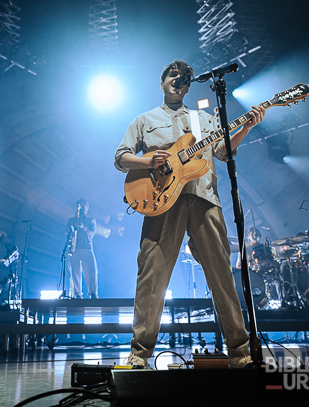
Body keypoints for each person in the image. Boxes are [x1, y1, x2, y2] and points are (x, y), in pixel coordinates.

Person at [114, 59, 266, 368]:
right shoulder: (144, 119)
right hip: (160, 203)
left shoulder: (204, 120)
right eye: (172, 75)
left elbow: (223, 152)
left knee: (222, 275)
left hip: (203, 199)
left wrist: (246, 126)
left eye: (184, 78)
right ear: (162, 82)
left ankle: (241, 353)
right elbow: (120, 158)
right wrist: (148, 163)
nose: (178, 80)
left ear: (187, 85)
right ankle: (139, 354)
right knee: (151, 276)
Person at [65, 199, 99, 299]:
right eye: (80, 206)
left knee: (92, 271)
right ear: (77, 208)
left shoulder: (91, 220)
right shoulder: (71, 220)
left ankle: (93, 293)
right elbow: (66, 233)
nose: (82, 208)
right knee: (74, 272)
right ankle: (77, 294)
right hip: (74, 248)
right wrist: (72, 228)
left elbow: (92, 233)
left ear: (87, 208)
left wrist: (83, 227)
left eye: (84, 206)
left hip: (87, 248)